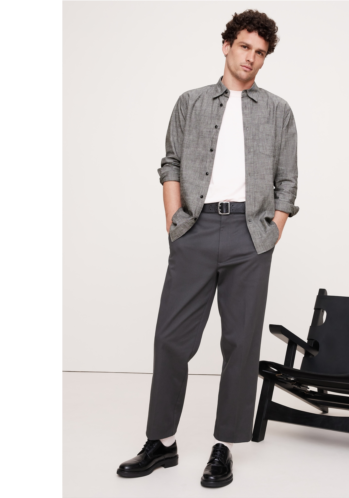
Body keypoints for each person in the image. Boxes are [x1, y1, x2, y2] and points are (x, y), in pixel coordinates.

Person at [117, 9, 299, 488]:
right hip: (195, 229)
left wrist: (273, 231)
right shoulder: (191, 102)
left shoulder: (278, 111)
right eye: (244, 47)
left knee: (240, 343)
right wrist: (174, 222)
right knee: (171, 339)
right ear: (226, 46)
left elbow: (287, 182)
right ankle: (161, 443)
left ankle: (225, 447)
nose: (251, 58)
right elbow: (171, 163)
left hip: (250, 235)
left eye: (260, 52)